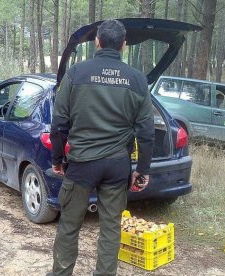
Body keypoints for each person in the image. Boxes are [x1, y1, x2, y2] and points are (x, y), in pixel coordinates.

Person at [48, 20, 155, 276]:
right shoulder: (137, 80)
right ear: (124, 46)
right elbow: (147, 133)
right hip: (117, 166)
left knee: (69, 226)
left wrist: (58, 159)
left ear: (97, 42)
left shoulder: (76, 73)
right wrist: (142, 170)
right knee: (111, 228)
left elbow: (58, 124)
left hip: (82, 164)